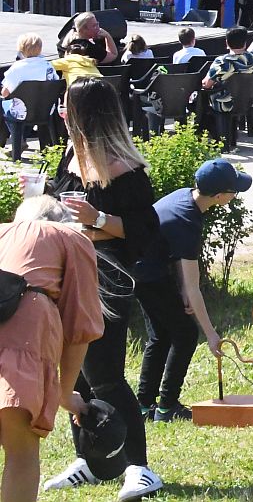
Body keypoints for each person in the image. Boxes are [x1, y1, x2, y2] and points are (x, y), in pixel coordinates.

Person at [41, 78, 162, 500]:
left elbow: (144, 234)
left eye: (66, 106)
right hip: (67, 272)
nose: (60, 112)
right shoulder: (71, 157)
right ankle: (92, 461)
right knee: (75, 377)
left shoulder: (126, 170)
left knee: (107, 375)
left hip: (106, 276)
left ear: (86, 116)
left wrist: (96, 218)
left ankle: (139, 467)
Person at [0, 196, 103, 502]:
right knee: (21, 449)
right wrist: (64, 392)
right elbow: (79, 328)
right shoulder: (70, 237)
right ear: (61, 220)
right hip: (27, 330)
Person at [133, 160, 250, 423]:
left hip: (139, 267)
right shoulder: (187, 220)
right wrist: (211, 334)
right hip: (146, 274)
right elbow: (194, 288)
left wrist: (184, 290)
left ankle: (143, 407)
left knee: (161, 335)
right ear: (220, 196)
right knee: (186, 334)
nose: (235, 194)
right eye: (234, 191)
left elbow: (173, 254)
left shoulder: (185, 197)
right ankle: (166, 407)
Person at [204, 28, 253, 128]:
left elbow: (207, 85)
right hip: (251, 101)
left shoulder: (222, 62)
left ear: (227, 43)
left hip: (226, 104)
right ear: (245, 43)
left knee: (201, 100)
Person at [3, 35, 59, 161]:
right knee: (27, 103)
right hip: (46, 110)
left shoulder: (18, 67)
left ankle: (16, 139)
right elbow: (56, 83)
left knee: (5, 104)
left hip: (22, 112)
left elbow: (5, 93)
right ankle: (23, 137)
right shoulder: (47, 66)